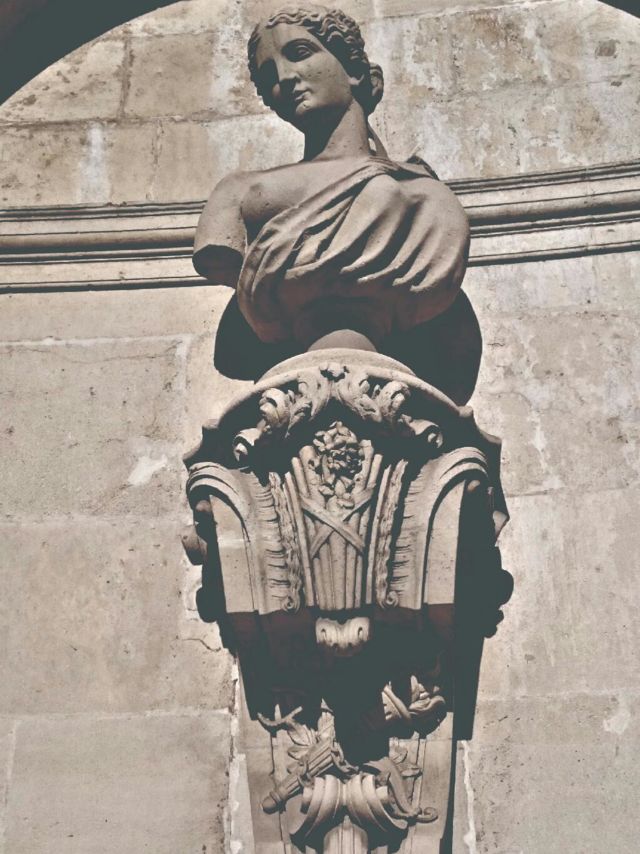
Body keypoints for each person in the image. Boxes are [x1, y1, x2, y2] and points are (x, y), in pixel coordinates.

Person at [194, 5, 479, 401]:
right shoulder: (238, 192)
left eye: (300, 53)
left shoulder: (424, 197)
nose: (285, 78)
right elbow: (218, 255)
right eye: (269, 74)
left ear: (354, 69)